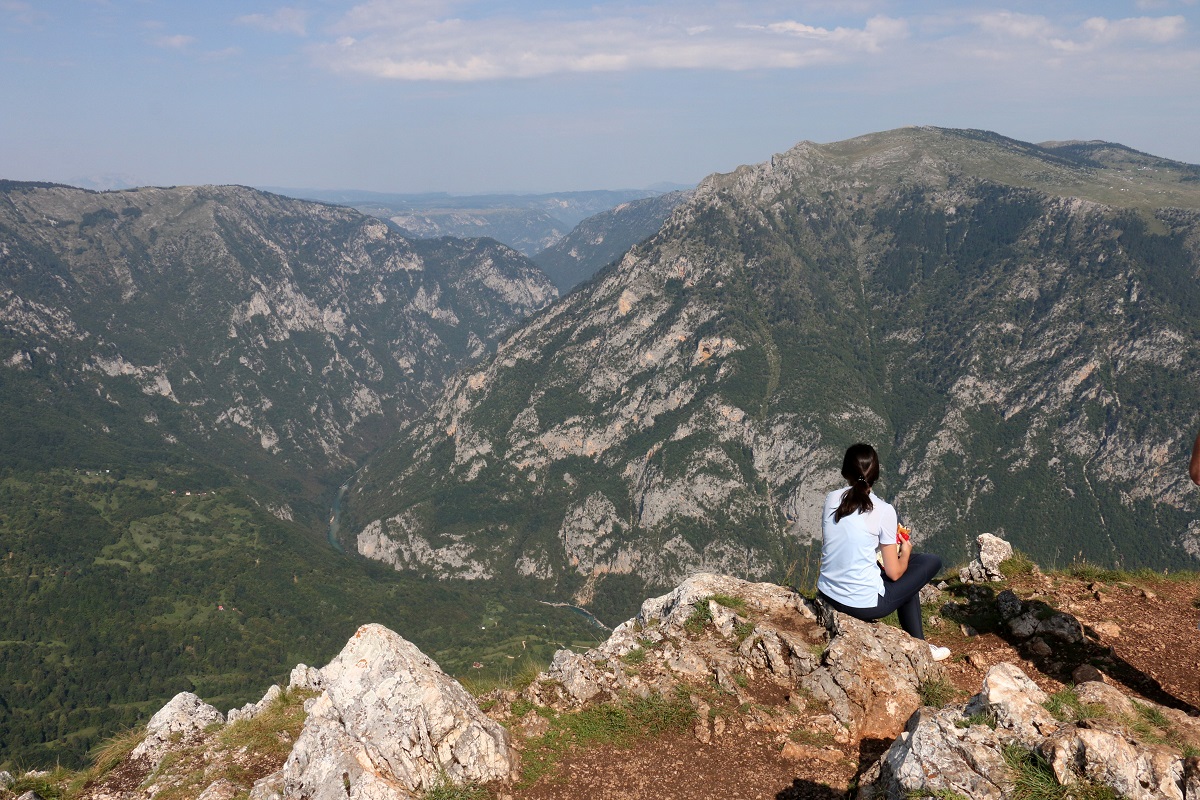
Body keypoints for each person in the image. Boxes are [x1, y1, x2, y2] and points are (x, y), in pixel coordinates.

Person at [817, 443, 950, 661]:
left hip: (828, 591)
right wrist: (905, 550)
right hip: (862, 604)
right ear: (876, 474)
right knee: (929, 561)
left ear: (844, 472)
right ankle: (922, 649)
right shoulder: (884, 510)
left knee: (907, 575)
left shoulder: (831, 498)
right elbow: (894, 574)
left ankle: (920, 644)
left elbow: (849, 541)